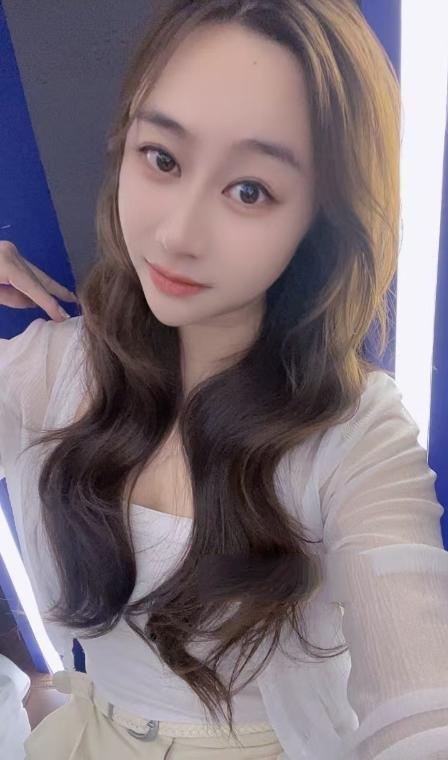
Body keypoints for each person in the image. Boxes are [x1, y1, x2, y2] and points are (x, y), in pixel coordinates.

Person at [1, 1, 447, 758]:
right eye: (162, 159)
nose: (177, 234)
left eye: (249, 191)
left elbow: (422, 703)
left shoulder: (354, 434)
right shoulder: (50, 370)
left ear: (318, 218)